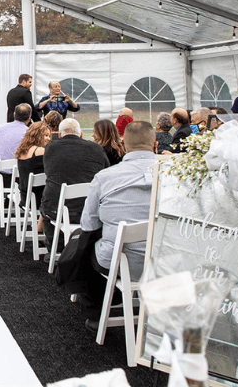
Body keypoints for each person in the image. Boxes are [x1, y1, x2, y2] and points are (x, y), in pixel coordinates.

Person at [79, 121, 157, 330]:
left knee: (86, 246)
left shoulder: (105, 177)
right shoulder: (177, 175)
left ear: (123, 144)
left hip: (120, 263)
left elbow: (88, 223)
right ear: (155, 144)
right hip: (165, 262)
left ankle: (96, 311)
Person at [40, 118, 109, 255]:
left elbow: (49, 172)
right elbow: (105, 171)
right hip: (90, 207)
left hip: (57, 208)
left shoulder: (50, 148)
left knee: (46, 205)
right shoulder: (96, 148)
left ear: (59, 135)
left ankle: (55, 249)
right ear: (81, 134)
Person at [0, 103, 32, 222]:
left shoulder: (0, 128)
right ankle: (8, 203)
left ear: (14, 114)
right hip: (18, 178)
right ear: (29, 117)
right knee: (18, 177)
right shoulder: (29, 133)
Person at [14, 122, 50, 210]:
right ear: (37, 136)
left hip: (26, 197)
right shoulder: (41, 151)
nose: (48, 138)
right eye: (45, 135)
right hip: (39, 199)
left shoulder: (23, 151)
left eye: (49, 136)